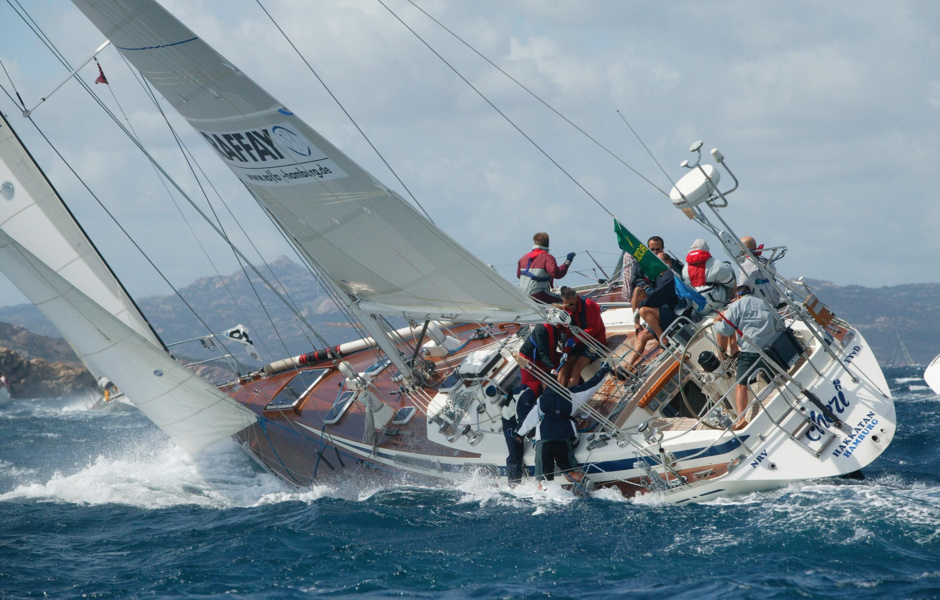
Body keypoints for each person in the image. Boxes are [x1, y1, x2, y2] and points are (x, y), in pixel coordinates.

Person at [517, 363, 611, 487]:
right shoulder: (571, 395)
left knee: (543, 479)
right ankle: (584, 480)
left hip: (545, 440)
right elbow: (591, 386)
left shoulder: (541, 400)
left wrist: (519, 434)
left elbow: (530, 420)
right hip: (565, 437)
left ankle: (546, 494)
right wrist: (603, 370)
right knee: (570, 471)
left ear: (545, 385)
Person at [713, 285, 782, 429]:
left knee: (741, 385)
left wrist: (716, 323)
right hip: (770, 348)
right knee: (774, 376)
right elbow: (779, 324)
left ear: (737, 296)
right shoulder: (765, 303)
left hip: (750, 350)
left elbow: (726, 330)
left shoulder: (736, 306)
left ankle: (741, 419)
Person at [626, 252, 680, 369]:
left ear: (668, 263)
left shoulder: (670, 275)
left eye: (660, 262)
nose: (657, 265)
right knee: (642, 335)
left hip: (675, 314)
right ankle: (628, 366)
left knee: (644, 311)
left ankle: (663, 341)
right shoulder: (660, 276)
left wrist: (641, 305)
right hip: (663, 313)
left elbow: (658, 297)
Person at [557, 287, 606, 386]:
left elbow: (593, 329)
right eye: (566, 305)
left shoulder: (590, 306)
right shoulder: (566, 309)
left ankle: (570, 397)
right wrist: (566, 349)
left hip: (595, 341)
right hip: (579, 342)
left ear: (576, 298)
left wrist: (574, 340)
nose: (569, 307)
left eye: (571, 304)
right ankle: (559, 396)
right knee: (564, 367)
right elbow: (568, 331)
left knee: (576, 368)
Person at [517, 232, 574, 304]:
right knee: (566, 301)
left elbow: (519, 275)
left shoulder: (523, 258)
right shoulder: (547, 257)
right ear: (548, 243)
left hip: (523, 296)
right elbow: (557, 274)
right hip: (538, 295)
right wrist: (568, 261)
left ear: (534, 242)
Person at [681, 239, 735, 315]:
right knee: (728, 268)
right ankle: (732, 299)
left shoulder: (685, 269)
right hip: (714, 302)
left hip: (697, 305)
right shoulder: (716, 264)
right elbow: (730, 283)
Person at [621, 235, 664, 311]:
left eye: (658, 249)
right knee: (638, 290)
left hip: (664, 293)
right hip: (648, 293)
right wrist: (645, 286)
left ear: (663, 249)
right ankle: (636, 321)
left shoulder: (669, 262)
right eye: (652, 249)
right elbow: (636, 279)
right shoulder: (641, 262)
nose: (655, 252)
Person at [737, 236, 781, 308]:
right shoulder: (765, 260)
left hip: (756, 305)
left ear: (743, 249)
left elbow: (744, 286)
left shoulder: (747, 264)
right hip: (773, 302)